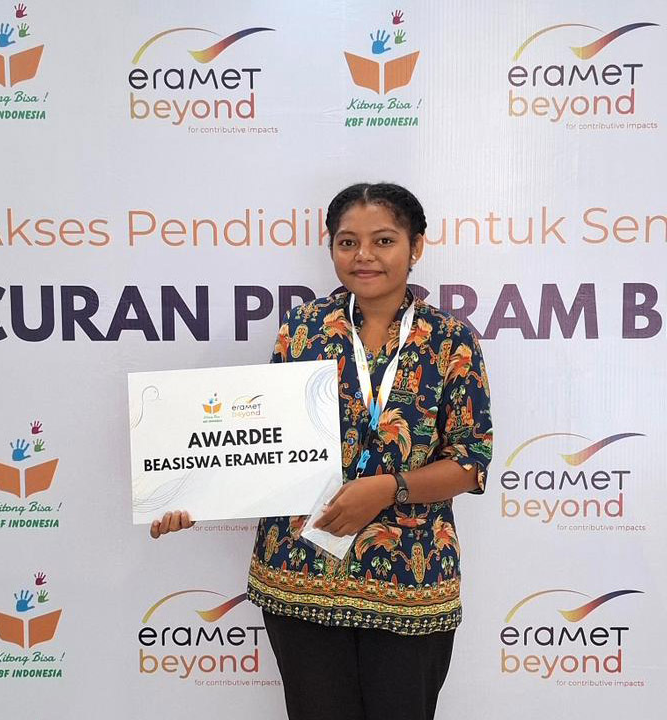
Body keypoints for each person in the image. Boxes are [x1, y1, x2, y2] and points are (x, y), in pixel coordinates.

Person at [150, 182, 493, 720]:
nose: (364, 255)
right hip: (300, 571)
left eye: (383, 240)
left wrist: (388, 489)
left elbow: (471, 463)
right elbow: (260, 440)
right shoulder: (304, 329)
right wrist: (194, 489)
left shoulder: (451, 340)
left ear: (417, 246)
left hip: (410, 575)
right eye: (347, 242)